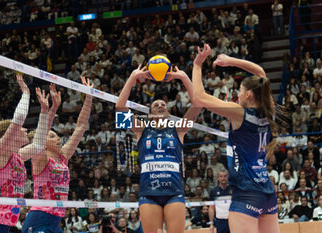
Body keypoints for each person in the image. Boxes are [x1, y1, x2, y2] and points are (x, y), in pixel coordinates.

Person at [192, 44, 280, 233]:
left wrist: (197, 65)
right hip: (267, 193)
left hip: (246, 194)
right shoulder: (269, 110)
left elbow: (198, 98)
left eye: (239, 91)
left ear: (248, 94)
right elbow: (260, 72)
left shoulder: (240, 113)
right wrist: (230, 61)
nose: (237, 95)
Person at [116, 65, 201, 233]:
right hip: (149, 193)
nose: (161, 106)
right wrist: (133, 77)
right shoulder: (141, 129)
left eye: (163, 104)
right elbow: (119, 107)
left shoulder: (178, 129)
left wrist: (184, 77)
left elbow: (198, 105)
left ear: (168, 112)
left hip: (174, 192)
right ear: (150, 114)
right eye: (156, 105)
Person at [0, 74, 49, 233]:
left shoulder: (18, 156)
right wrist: (26, 92)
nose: (26, 129)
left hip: (6, 225)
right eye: (22, 129)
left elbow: (39, 144)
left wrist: (45, 111)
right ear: (11, 133)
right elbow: (19, 117)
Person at [22, 77, 93, 233]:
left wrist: (88, 97)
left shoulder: (63, 157)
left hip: (56, 220)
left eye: (56, 136)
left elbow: (81, 126)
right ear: (43, 141)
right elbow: (42, 134)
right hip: (39, 217)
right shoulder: (40, 157)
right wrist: (50, 109)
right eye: (52, 136)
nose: (58, 138)